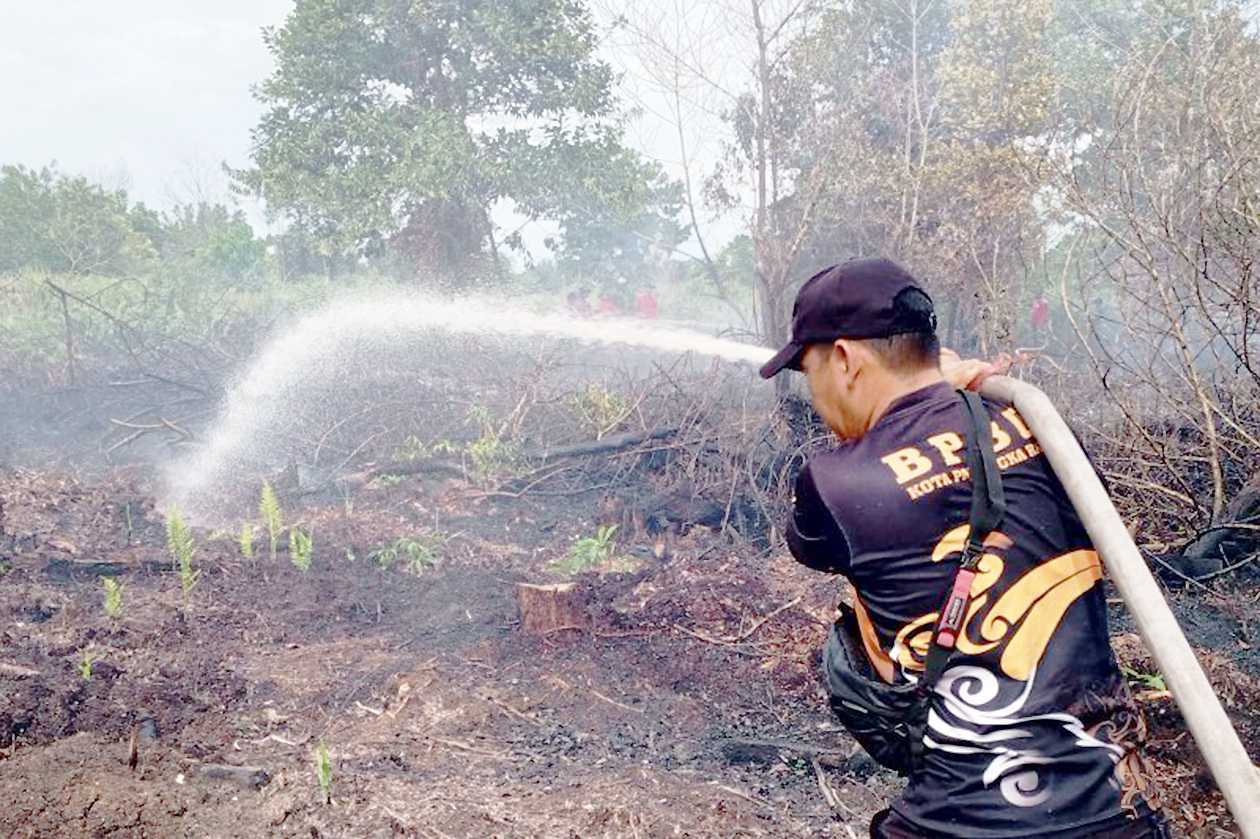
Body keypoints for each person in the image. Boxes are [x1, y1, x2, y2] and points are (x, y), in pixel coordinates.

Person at [760, 258, 1166, 838]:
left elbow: (817, 543)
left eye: (809, 370)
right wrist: (947, 400)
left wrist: (925, 412)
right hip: (1118, 812)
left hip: (966, 822)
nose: (813, 394)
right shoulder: (1044, 429)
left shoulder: (832, 483)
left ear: (847, 359)